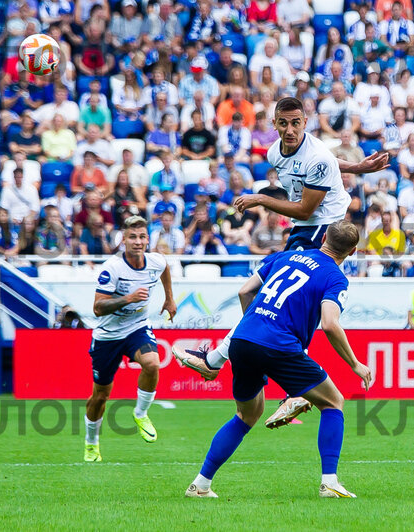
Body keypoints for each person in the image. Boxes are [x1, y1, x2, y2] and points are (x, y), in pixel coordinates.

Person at [173, 97, 387, 426]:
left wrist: (261, 197)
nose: (289, 129)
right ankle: (248, 366)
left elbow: (305, 208)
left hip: (321, 228)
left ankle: (223, 362)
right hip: (303, 230)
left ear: (305, 122)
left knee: (284, 301)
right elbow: (328, 166)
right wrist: (358, 168)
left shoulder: (315, 155)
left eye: (296, 123)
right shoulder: (275, 153)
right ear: (274, 123)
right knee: (264, 301)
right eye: (283, 123)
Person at [183, 221, 371, 498]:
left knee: (246, 415)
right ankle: (329, 482)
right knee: (333, 402)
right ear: (353, 251)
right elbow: (330, 324)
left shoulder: (285, 256)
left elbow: (244, 291)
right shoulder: (335, 276)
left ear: (324, 238)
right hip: (279, 345)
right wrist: (355, 363)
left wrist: (256, 326)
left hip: (242, 339)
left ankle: (200, 484)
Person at [84, 216, 177, 462]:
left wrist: (169, 298)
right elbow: (97, 308)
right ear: (123, 240)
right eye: (132, 237)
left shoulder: (155, 261)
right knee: (100, 396)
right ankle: (91, 443)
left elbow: (165, 267)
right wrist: (128, 298)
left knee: (152, 363)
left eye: (142, 237)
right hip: (108, 336)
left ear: (148, 239)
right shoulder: (111, 269)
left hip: (136, 327)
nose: (138, 242)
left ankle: (141, 413)